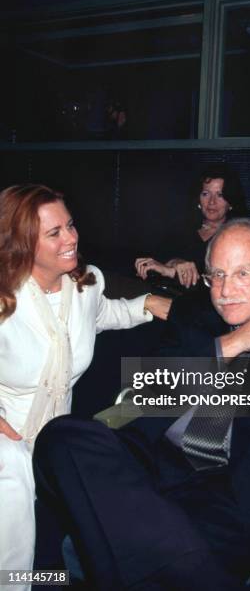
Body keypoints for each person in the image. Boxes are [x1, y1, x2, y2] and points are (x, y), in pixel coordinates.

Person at [33, 218, 250, 591]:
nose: (226, 290)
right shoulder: (193, 314)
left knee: (158, 541)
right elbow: (149, 390)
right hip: (152, 468)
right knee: (62, 436)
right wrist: (229, 346)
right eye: (216, 274)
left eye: (243, 273)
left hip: (229, 495)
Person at [0, 184, 171, 591]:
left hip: (56, 440)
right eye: (55, 232)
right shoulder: (5, 296)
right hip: (8, 435)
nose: (72, 237)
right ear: (22, 243)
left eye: (71, 225)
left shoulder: (85, 285)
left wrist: (147, 303)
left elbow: (106, 314)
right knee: (13, 471)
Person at [135, 164, 247, 289]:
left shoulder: (239, 238)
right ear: (198, 199)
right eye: (205, 194)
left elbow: (223, 285)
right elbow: (156, 258)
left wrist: (173, 272)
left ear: (231, 202)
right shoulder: (181, 229)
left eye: (220, 195)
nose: (211, 202)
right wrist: (174, 262)